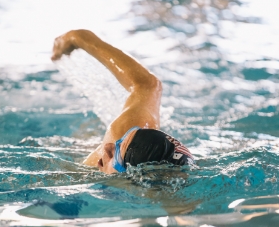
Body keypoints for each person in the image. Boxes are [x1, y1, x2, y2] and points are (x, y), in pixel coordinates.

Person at [52, 29, 195, 174]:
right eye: (119, 142)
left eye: (117, 153)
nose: (107, 147)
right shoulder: (125, 131)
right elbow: (147, 85)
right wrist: (79, 38)